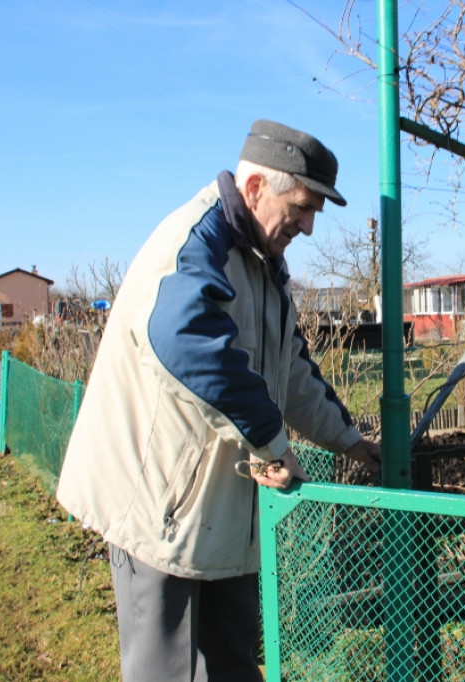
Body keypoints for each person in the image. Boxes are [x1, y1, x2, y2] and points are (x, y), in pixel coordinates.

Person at [56, 119, 381, 682]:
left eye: (314, 214)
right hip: (163, 514)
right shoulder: (195, 241)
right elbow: (186, 344)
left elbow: (293, 370)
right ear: (255, 189)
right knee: (168, 672)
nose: (307, 227)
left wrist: (350, 441)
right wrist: (272, 444)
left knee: (231, 666)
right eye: (302, 207)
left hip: (223, 520)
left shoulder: (264, 265)